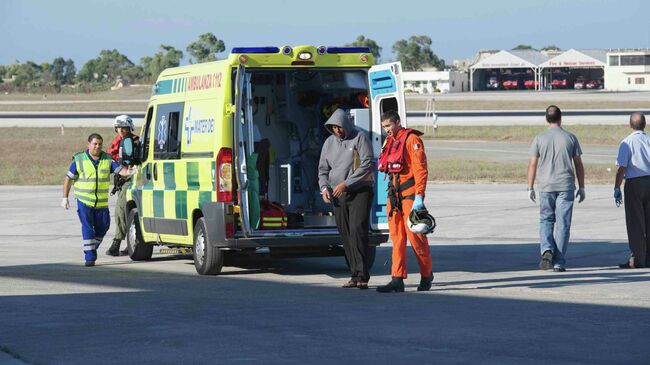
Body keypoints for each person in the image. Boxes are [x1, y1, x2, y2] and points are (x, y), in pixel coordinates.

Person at [375, 110, 433, 293]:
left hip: (409, 196)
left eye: (389, 126)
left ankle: (426, 274)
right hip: (394, 197)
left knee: (416, 238)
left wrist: (419, 197)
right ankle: (397, 279)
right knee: (397, 239)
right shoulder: (390, 142)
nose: (386, 130)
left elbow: (420, 170)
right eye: (384, 127)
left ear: (398, 122)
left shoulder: (412, 140)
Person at [318, 108, 375, 289]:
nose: (337, 130)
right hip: (338, 194)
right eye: (333, 127)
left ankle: (363, 275)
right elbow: (323, 170)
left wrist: (347, 183)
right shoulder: (328, 143)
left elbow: (367, 164)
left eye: (339, 127)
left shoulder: (359, 138)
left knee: (357, 230)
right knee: (345, 234)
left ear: (346, 124)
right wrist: (324, 188)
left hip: (359, 191)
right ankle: (354, 274)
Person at [61, 133, 136, 266]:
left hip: (101, 202)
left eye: (100, 144)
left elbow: (119, 170)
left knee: (104, 226)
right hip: (84, 201)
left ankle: (90, 247)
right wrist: (65, 197)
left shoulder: (107, 159)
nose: (97, 146)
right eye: (95, 144)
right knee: (88, 228)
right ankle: (90, 258)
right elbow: (68, 178)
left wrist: (129, 172)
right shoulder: (79, 160)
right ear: (88, 144)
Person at [527, 105, 585, 272]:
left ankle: (546, 250)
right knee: (563, 224)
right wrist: (582, 187)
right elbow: (578, 164)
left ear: (546, 119)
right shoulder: (570, 138)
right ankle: (559, 261)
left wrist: (530, 187)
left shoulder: (539, 138)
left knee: (546, 219)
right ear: (561, 118)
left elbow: (532, 164)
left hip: (545, 185)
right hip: (565, 186)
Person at [614, 112, 650, 269]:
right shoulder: (649, 140)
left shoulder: (626, 142)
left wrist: (617, 187)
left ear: (630, 125)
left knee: (635, 223)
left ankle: (637, 258)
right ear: (644, 125)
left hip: (634, 183)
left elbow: (622, 167)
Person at [105, 115, 139, 257]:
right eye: (119, 127)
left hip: (132, 180)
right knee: (128, 213)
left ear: (129, 127)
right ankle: (133, 243)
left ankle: (117, 242)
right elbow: (109, 157)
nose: (122, 130)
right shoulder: (117, 142)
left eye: (124, 127)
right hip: (121, 181)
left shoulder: (136, 142)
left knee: (120, 210)